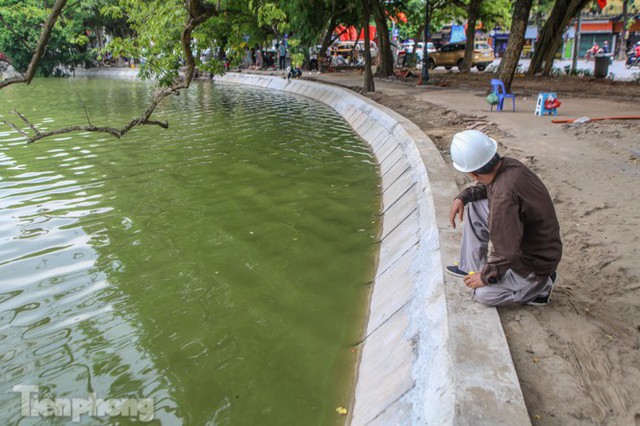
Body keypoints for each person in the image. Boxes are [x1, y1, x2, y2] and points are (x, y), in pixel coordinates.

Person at [446, 130, 562, 306]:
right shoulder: (508, 166)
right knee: (476, 206)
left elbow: (507, 252)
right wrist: (463, 196)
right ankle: (471, 268)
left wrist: (487, 278)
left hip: (533, 263)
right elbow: (487, 188)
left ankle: (541, 287)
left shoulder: (503, 198)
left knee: (484, 295)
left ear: (472, 174)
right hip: (534, 240)